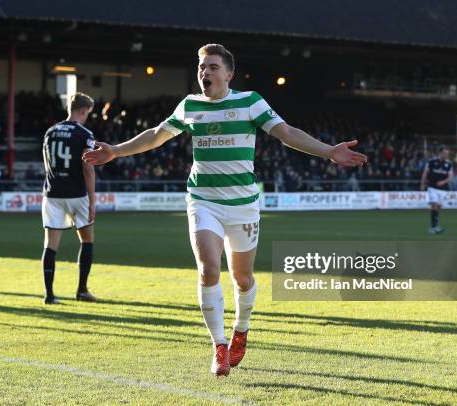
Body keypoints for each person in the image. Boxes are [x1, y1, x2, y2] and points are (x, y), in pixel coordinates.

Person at [83, 44, 367, 376]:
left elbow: (286, 134)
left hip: (244, 206)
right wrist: (116, 151)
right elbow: (157, 135)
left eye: (213, 67)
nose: (205, 72)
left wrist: (329, 151)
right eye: (202, 67)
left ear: (228, 74)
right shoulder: (190, 105)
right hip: (203, 201)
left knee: (242, 278)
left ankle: (240, 331)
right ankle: (218, 347)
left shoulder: (250, 102)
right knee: (208, 270)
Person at [41, 92, 97, 305]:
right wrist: (92, 201)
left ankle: (49, 295)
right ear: (83, 111)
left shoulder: (50, 131)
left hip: (52, 193)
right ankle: (82, 290)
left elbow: (46, 161)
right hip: (76, 194)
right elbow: (88, 168)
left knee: (50, 245)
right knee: (87, 239)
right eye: (88, 113)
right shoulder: (84, 133)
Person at [420, 146, 453, 234]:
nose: (447, 155)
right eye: (445, 153)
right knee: (434, 205)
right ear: (440, 153)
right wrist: (422, 184)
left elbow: (450, 176)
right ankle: (433, 227)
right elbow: (425, 173)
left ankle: (435, 226)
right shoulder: (431, 162)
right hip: (432, 187)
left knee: (438, 207)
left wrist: (443, 182)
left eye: (447, 154)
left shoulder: (448, 164)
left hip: (443, 189)